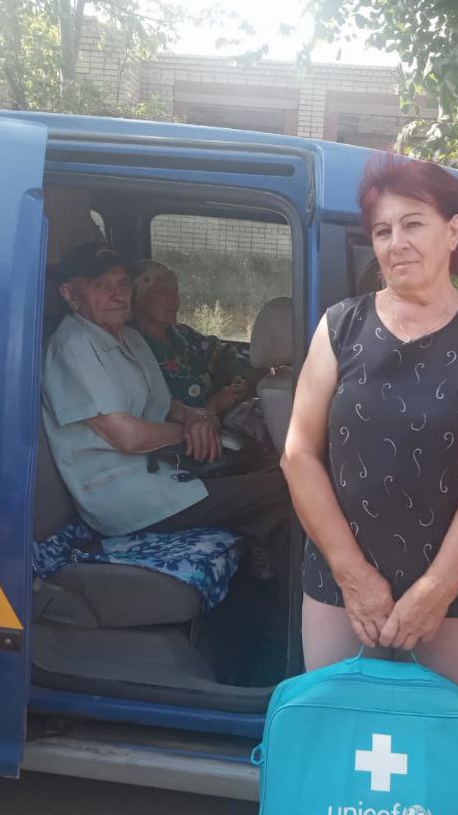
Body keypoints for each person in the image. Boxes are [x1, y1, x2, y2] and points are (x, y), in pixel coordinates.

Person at [281, 153, 458, 696]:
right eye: (383, 230)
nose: (397, 243)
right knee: (337, 728)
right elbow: (298, 453)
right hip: (342, 584)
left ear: (452, 231)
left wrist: (436, 589)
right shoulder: (340, 326)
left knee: (433, 736)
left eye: (413, 224)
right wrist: (352, 575)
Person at [41, 243, 290, 578]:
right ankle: (290, 601)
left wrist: (195, 417)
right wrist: (188, 431)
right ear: (70, 295)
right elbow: (127, 437)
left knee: (268, 467)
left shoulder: (130, 338)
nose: (118, 295)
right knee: (282, 492)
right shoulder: (73, 347)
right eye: (101, 286)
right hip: (122, 495)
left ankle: (265, 575)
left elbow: (164, 404)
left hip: (162, 472)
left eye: (122, 284)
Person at [131, 258, 256, 417]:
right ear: (137, 299)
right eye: (163, 291)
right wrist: (212, 407)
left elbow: (222, 354)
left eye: (175, 290)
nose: (174, 298)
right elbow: (155, 414)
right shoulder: (132, 350)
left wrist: (237, 379)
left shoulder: (183, 335)